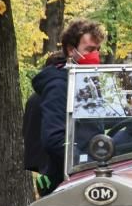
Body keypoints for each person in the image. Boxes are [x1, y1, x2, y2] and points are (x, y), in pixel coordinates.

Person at [29, 18, 105, 196]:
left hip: (88, 175)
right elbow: (54, 138)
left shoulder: (86, 83)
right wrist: (86, 162)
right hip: (67, 180)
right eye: (90, 49)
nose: (96, 55)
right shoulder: (59, 86)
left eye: (98, 49)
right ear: (71, 50)